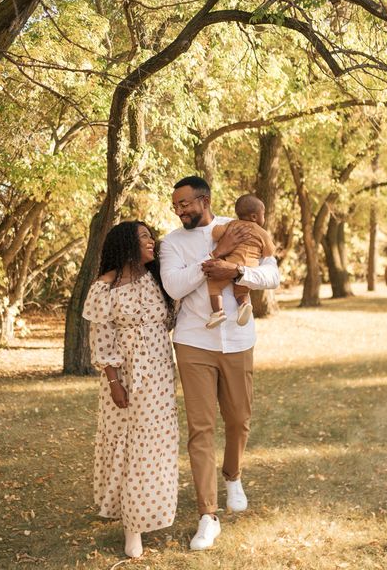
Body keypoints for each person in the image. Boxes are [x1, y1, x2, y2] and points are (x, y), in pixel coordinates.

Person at [160, 176, 280, 551]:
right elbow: (174, 287)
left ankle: (233, 475)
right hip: (194, 341)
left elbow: (273, 274)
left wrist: (238, 271)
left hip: (239, 341)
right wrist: (214, 256)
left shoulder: (240, 225)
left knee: (239, 420)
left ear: (204, 199)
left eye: (185, 204)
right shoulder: (171, 243)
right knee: (200, 429)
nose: (180, 211)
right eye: (176, 206)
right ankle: (207, 516)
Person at [82, 221, 179, 559]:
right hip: (125, 377)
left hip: (160, 375)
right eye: (143, 238)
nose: (151, 242)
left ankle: (150, 511)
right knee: (129, 445)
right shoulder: (103, 289)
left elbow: (170, 319)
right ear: (126, 245)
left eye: (151, 236)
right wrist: (114, 382)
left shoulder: (157, 279)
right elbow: (101, 339)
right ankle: (131, 527)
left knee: (156, 444)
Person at [206, 193, 276, 329]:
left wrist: (217, 228)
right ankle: (243, 306)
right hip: (250, 268)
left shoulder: (233, 224)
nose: (264, 217)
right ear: (254, 217)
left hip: (230, 263)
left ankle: (218, 312)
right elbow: (269, 252)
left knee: (214, 285)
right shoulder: (262, 233)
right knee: (241, 292)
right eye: (263, 214)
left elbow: (215, 234)